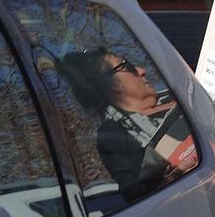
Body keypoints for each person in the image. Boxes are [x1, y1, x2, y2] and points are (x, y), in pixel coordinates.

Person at [58, 47, 199, 199]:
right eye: (127, 66)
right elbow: (139, 195)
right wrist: (171, 183)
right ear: (113, 84)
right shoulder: (116, 135)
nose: (142, 70)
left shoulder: (181, 92)